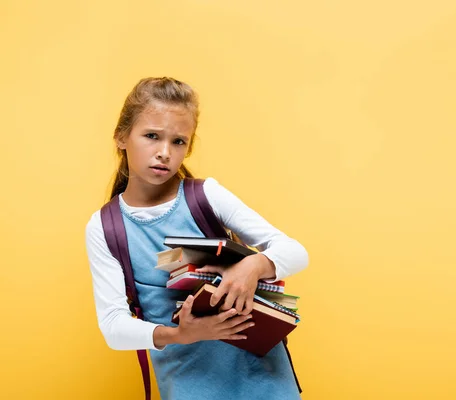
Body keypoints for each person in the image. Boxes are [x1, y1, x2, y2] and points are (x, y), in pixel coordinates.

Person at [85, 77, 309, 399]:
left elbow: (295, 251)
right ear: (122, 136)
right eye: (151, 136)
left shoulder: (206, 196)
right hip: (188, 384)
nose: (164, 152)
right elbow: (113, 326)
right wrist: (180, 334)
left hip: (265, 379)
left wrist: (254, 266)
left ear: (188, 147)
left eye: (178, 142)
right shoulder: (105, 228)